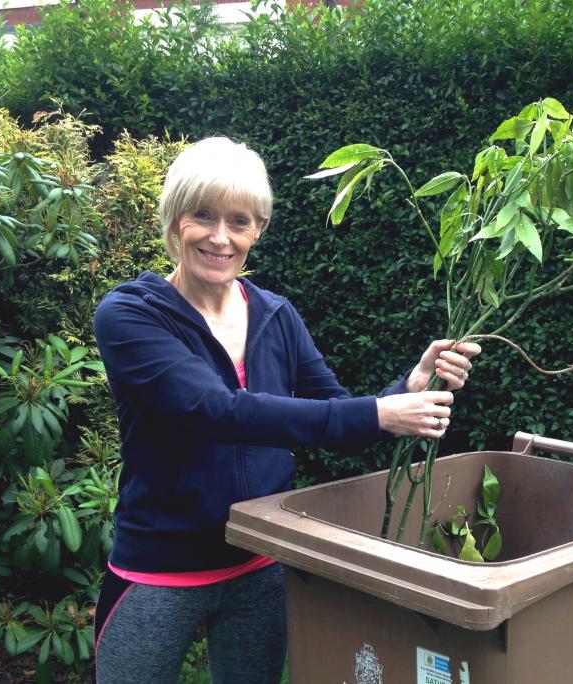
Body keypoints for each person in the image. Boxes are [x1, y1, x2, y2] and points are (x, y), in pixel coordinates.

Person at [91, 136, 479, 683]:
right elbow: (214, 409)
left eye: (239, 221)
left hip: (260, 561)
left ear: (259, 230)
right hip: (159, 566)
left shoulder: (276, 315)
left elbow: (337, 416)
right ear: (175, 220)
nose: (220, 237)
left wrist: (405, 387)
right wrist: (379, 413)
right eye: (203, 216)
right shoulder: (129, 314)